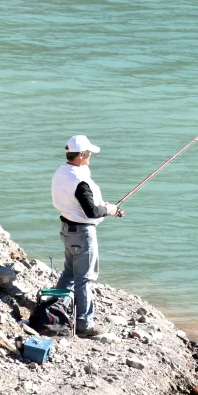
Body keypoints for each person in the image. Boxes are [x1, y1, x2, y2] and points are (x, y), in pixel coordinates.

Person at [51, 135, 124, 337]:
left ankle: (55, 311)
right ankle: (84, 324)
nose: (91, 155)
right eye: (89, 152)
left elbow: (84, 203)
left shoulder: (62, 172)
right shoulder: (80, 181)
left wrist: (104, 206)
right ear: (81, 155)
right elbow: (91, 212)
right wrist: (109, 210)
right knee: (85, 279)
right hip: (82, 234)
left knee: (68, 273)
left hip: (67, 229)